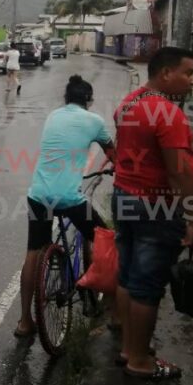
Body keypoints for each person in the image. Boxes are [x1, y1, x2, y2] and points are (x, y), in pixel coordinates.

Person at [112, 46, 193, 380]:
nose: (192, 81)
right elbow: (180, 173)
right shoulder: (168, 114)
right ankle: (140, 361)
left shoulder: (129, 103)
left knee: (128, 274)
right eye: (188, 73)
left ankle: (127, 348)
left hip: (124, 196)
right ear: (166, 74)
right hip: (155, 205)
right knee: (147, 286)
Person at [15, 75, 114, 338]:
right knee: (103, 236)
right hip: (69, 198)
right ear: (89, 100)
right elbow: (114, 153)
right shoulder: (95, 122)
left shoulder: (53, 116)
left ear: (66, 98)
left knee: (33, 252)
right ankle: (93, 291)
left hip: (39, 195)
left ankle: (25, 321)